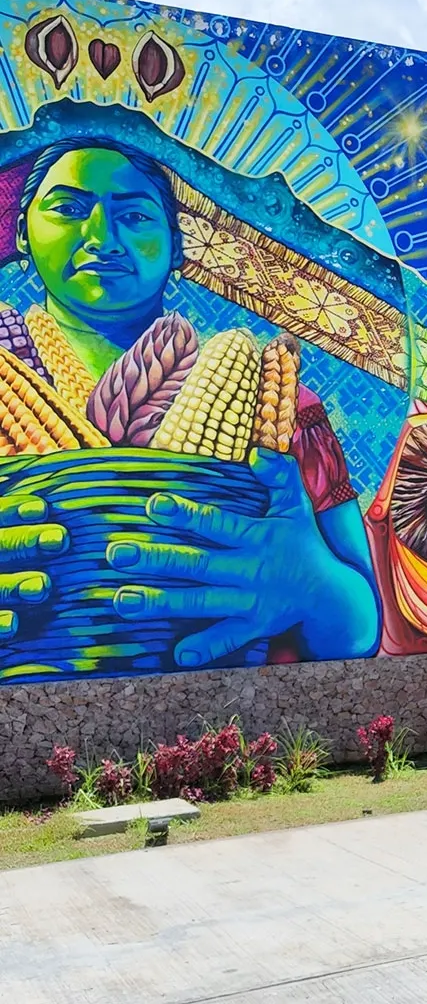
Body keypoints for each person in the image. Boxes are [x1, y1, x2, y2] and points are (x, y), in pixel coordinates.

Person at [0, 136, 380, 667]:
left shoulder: (285, 403)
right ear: (22, 232)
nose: (100, 238)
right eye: (67, 208)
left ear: (177, 247)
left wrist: (315, 585)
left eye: (133, 216)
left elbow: (363, 628)